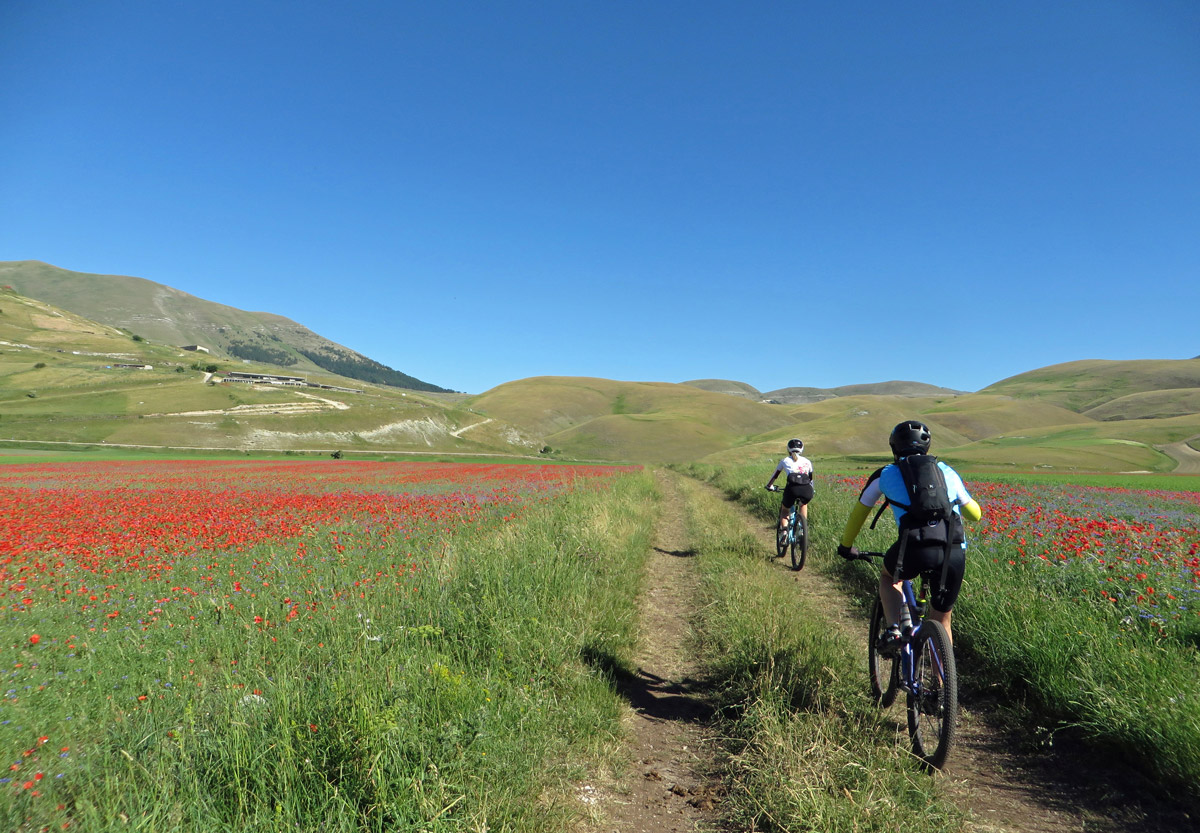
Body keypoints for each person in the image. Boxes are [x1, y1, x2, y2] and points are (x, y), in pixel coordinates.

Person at [836, 421, 982, 651]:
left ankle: (894, 629)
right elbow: (975, 514)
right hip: (952, 551)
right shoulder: (946, 471)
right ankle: (943, 684)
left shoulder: (885, 473)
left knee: (889, 577)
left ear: (894, 447)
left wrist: (846, 546)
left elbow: (859, 514)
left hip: (913, 549)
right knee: (942, 620)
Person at [765, 438, 814, 533]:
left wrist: (769, 486)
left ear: (788, 449)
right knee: (803, 504)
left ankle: (784, 532)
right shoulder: (807, 461)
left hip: (792, 489)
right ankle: (802, 528)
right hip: (807, 489)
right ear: (802, 449)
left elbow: (775, 476)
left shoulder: (785, 461)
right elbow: (811, 479)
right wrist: (812, 489)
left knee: (785, 510)